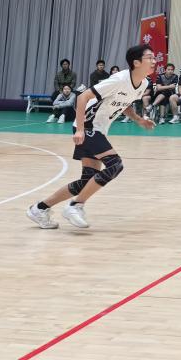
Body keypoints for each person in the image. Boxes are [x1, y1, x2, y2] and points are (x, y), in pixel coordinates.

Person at [26, 45, 156, 230]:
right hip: (87, 125)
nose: (154, 61)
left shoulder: (143, 83)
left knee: (88, 180)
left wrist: (139, 120)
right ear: (136, 62)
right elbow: (83, 97)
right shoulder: (119, 79)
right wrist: (80, 129)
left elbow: (125, 103)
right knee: (115, 165)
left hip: (98, 129)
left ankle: (39, 209)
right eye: (150, 57)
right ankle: (75, 205)